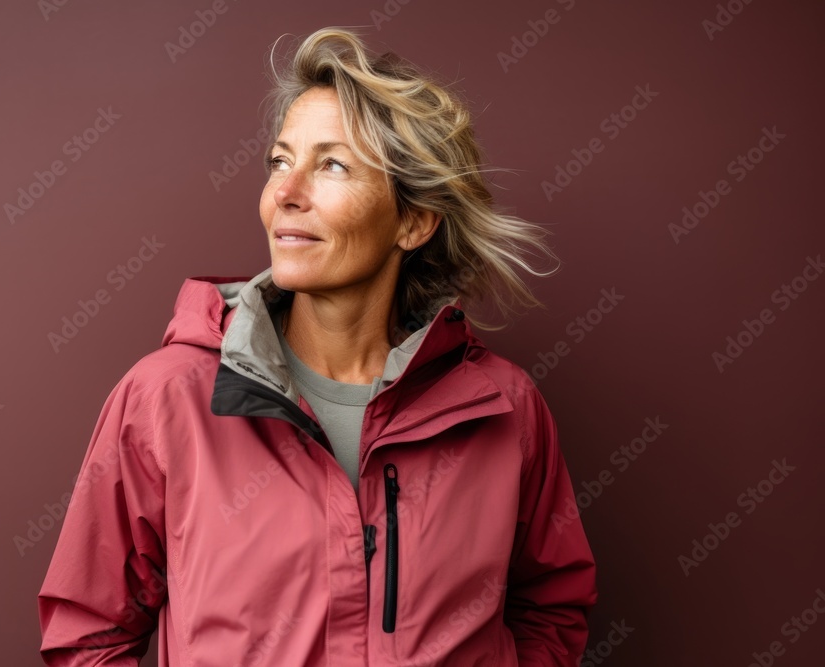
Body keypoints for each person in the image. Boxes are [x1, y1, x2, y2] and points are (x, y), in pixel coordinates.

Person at [38, 26, 597, 666]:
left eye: (331, 164)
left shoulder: (505, 409)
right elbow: (86, 635)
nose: (286, 193)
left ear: (414, 221)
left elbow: (552, 607)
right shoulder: (166, 399)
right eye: (280, 161)